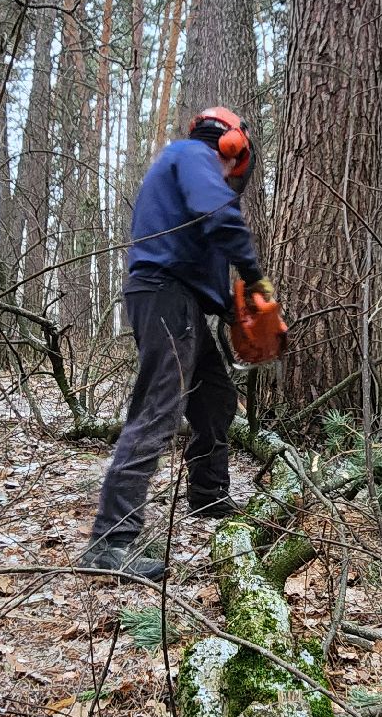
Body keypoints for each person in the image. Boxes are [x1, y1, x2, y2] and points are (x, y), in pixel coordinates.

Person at [80, 107, 270, 579]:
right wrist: (254, 275)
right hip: (165, 298)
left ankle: (208, 498)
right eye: (233, 166)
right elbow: (220, 217)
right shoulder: (192, 157)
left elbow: (196, 258)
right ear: (232, 148)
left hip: (179, 299)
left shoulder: (184, 170)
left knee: (215, 397)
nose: (230, 176)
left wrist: (237, 308)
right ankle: (110, 541)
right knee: (157, 410)